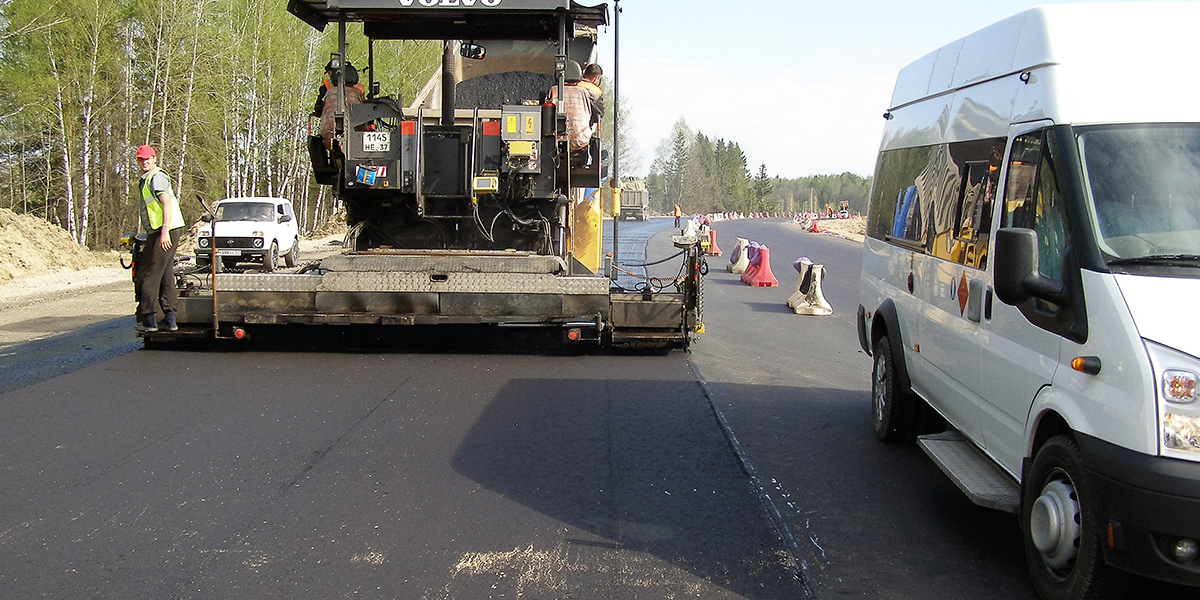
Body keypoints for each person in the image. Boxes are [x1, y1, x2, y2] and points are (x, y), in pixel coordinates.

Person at [133, 144, 185, 332]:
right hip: (163, 231)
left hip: (165, 232)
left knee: (148, 275)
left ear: (154, 158)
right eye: (141, 159)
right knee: (165, 275)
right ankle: (170, 320)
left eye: (147, 158)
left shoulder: (156, 177)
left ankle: (149, 320)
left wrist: (163, 232)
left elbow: (166, 203)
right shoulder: (147, 179)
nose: (144, 162)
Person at [547, 61, 603, 165]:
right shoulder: (592, 92)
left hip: (554, 141)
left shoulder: (553, 90)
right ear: (596, 78)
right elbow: (598, 115)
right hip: (580, 140)